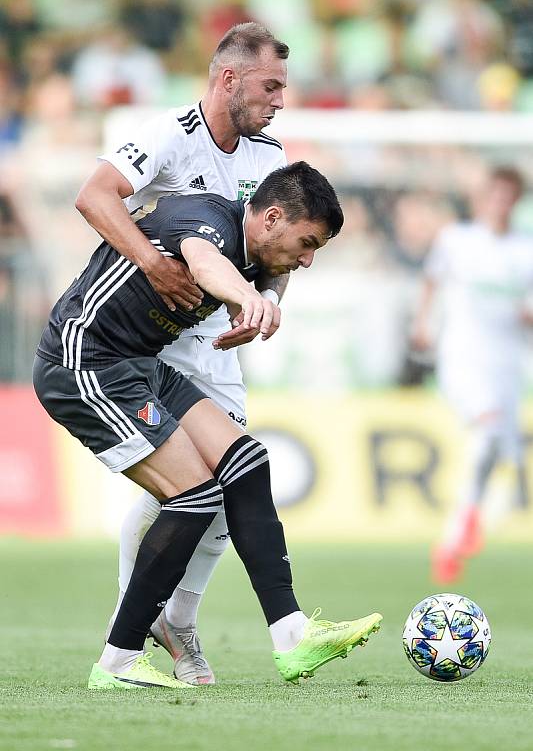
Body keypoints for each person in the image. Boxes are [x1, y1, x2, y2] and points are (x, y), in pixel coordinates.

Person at [33, 162, 383, 690]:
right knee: (192, 496)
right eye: (306, 243)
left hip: (142, 365)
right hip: (83, 361)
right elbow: (201, 261)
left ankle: (291, 637)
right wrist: (248, 300)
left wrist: (262, 295)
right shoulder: (207, 219)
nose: (307, 260)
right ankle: (118, 662)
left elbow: (258, 273)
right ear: (269, 218)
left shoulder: (256, 255)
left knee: (246, 461)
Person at [75, 22, 291, 684]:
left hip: (219, 341)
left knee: (223, 488)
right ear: (228, 79)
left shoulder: (268, 157)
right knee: (191, 485)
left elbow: (276, 251)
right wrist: (152, 263)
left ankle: (166, 621)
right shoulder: (167, 134)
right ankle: (137, 632)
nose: (279, 100)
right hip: (157, 338)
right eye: (269, 86)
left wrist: (269, 301)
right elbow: (93, 195)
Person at [411, 166, 533, 583]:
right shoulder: (456, 240)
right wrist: (423, 324)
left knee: (495, 447)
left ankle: (454, 539)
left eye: (509, 195)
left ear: (517, 200)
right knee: (487, 429)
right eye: (495, 194)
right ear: (484, 197)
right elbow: (431, 282)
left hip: (507, 363)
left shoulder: (525, 250)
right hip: (461, 356)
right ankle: (464, 523)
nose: (501, 201)